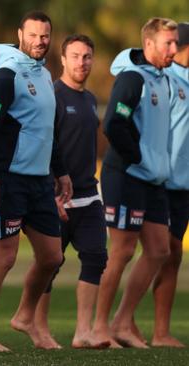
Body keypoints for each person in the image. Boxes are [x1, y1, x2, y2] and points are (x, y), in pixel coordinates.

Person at [0, 10, 72, 351]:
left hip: (40, 183)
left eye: (45, 35)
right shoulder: (6, 75)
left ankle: (25, 316)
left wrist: (61, 172)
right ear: (20, 34)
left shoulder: (44, 75)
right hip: (8, 181)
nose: (40, 41)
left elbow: (48, 131)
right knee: (4, 257)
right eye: (33, 35)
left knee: (52, 257)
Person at [92, 17, 178, 349]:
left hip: (154, 180)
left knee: (159, 250)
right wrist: (139, 157)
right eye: (168, 43)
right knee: (123, 251)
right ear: (150, 44)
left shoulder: (164, 80)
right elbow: (113, 123)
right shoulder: (132, 78)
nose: (173, 49)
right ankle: (98, 327)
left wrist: (156, 164)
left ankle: (122, 322)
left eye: (175, 43)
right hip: (126, 175)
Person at [33, 34, 109, 349]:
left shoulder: (90, 99)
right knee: (50, 264)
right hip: (55, 197)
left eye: (87, 56)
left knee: (96, 257)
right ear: (63, 60)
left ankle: (83, 332)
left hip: (89, 195)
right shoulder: (52, 97)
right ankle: (39, 330)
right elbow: (43, 146)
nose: (82, 62)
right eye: (75, 56)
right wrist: (50, 192)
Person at [150, 21, 189, 348]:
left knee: (173, 255)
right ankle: (122, 321)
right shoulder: (164, 78)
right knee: (157, 252)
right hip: (159, 181)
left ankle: (161, 331)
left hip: (183, 186)